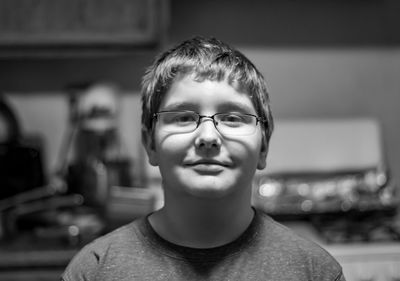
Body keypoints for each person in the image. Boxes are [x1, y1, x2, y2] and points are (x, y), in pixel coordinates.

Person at [61, 36, 346, 281]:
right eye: (183, 117)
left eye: (233, 118)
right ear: (150, 144)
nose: (208, 136)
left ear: (263, 148)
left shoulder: (313, 271)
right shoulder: (94, 271)